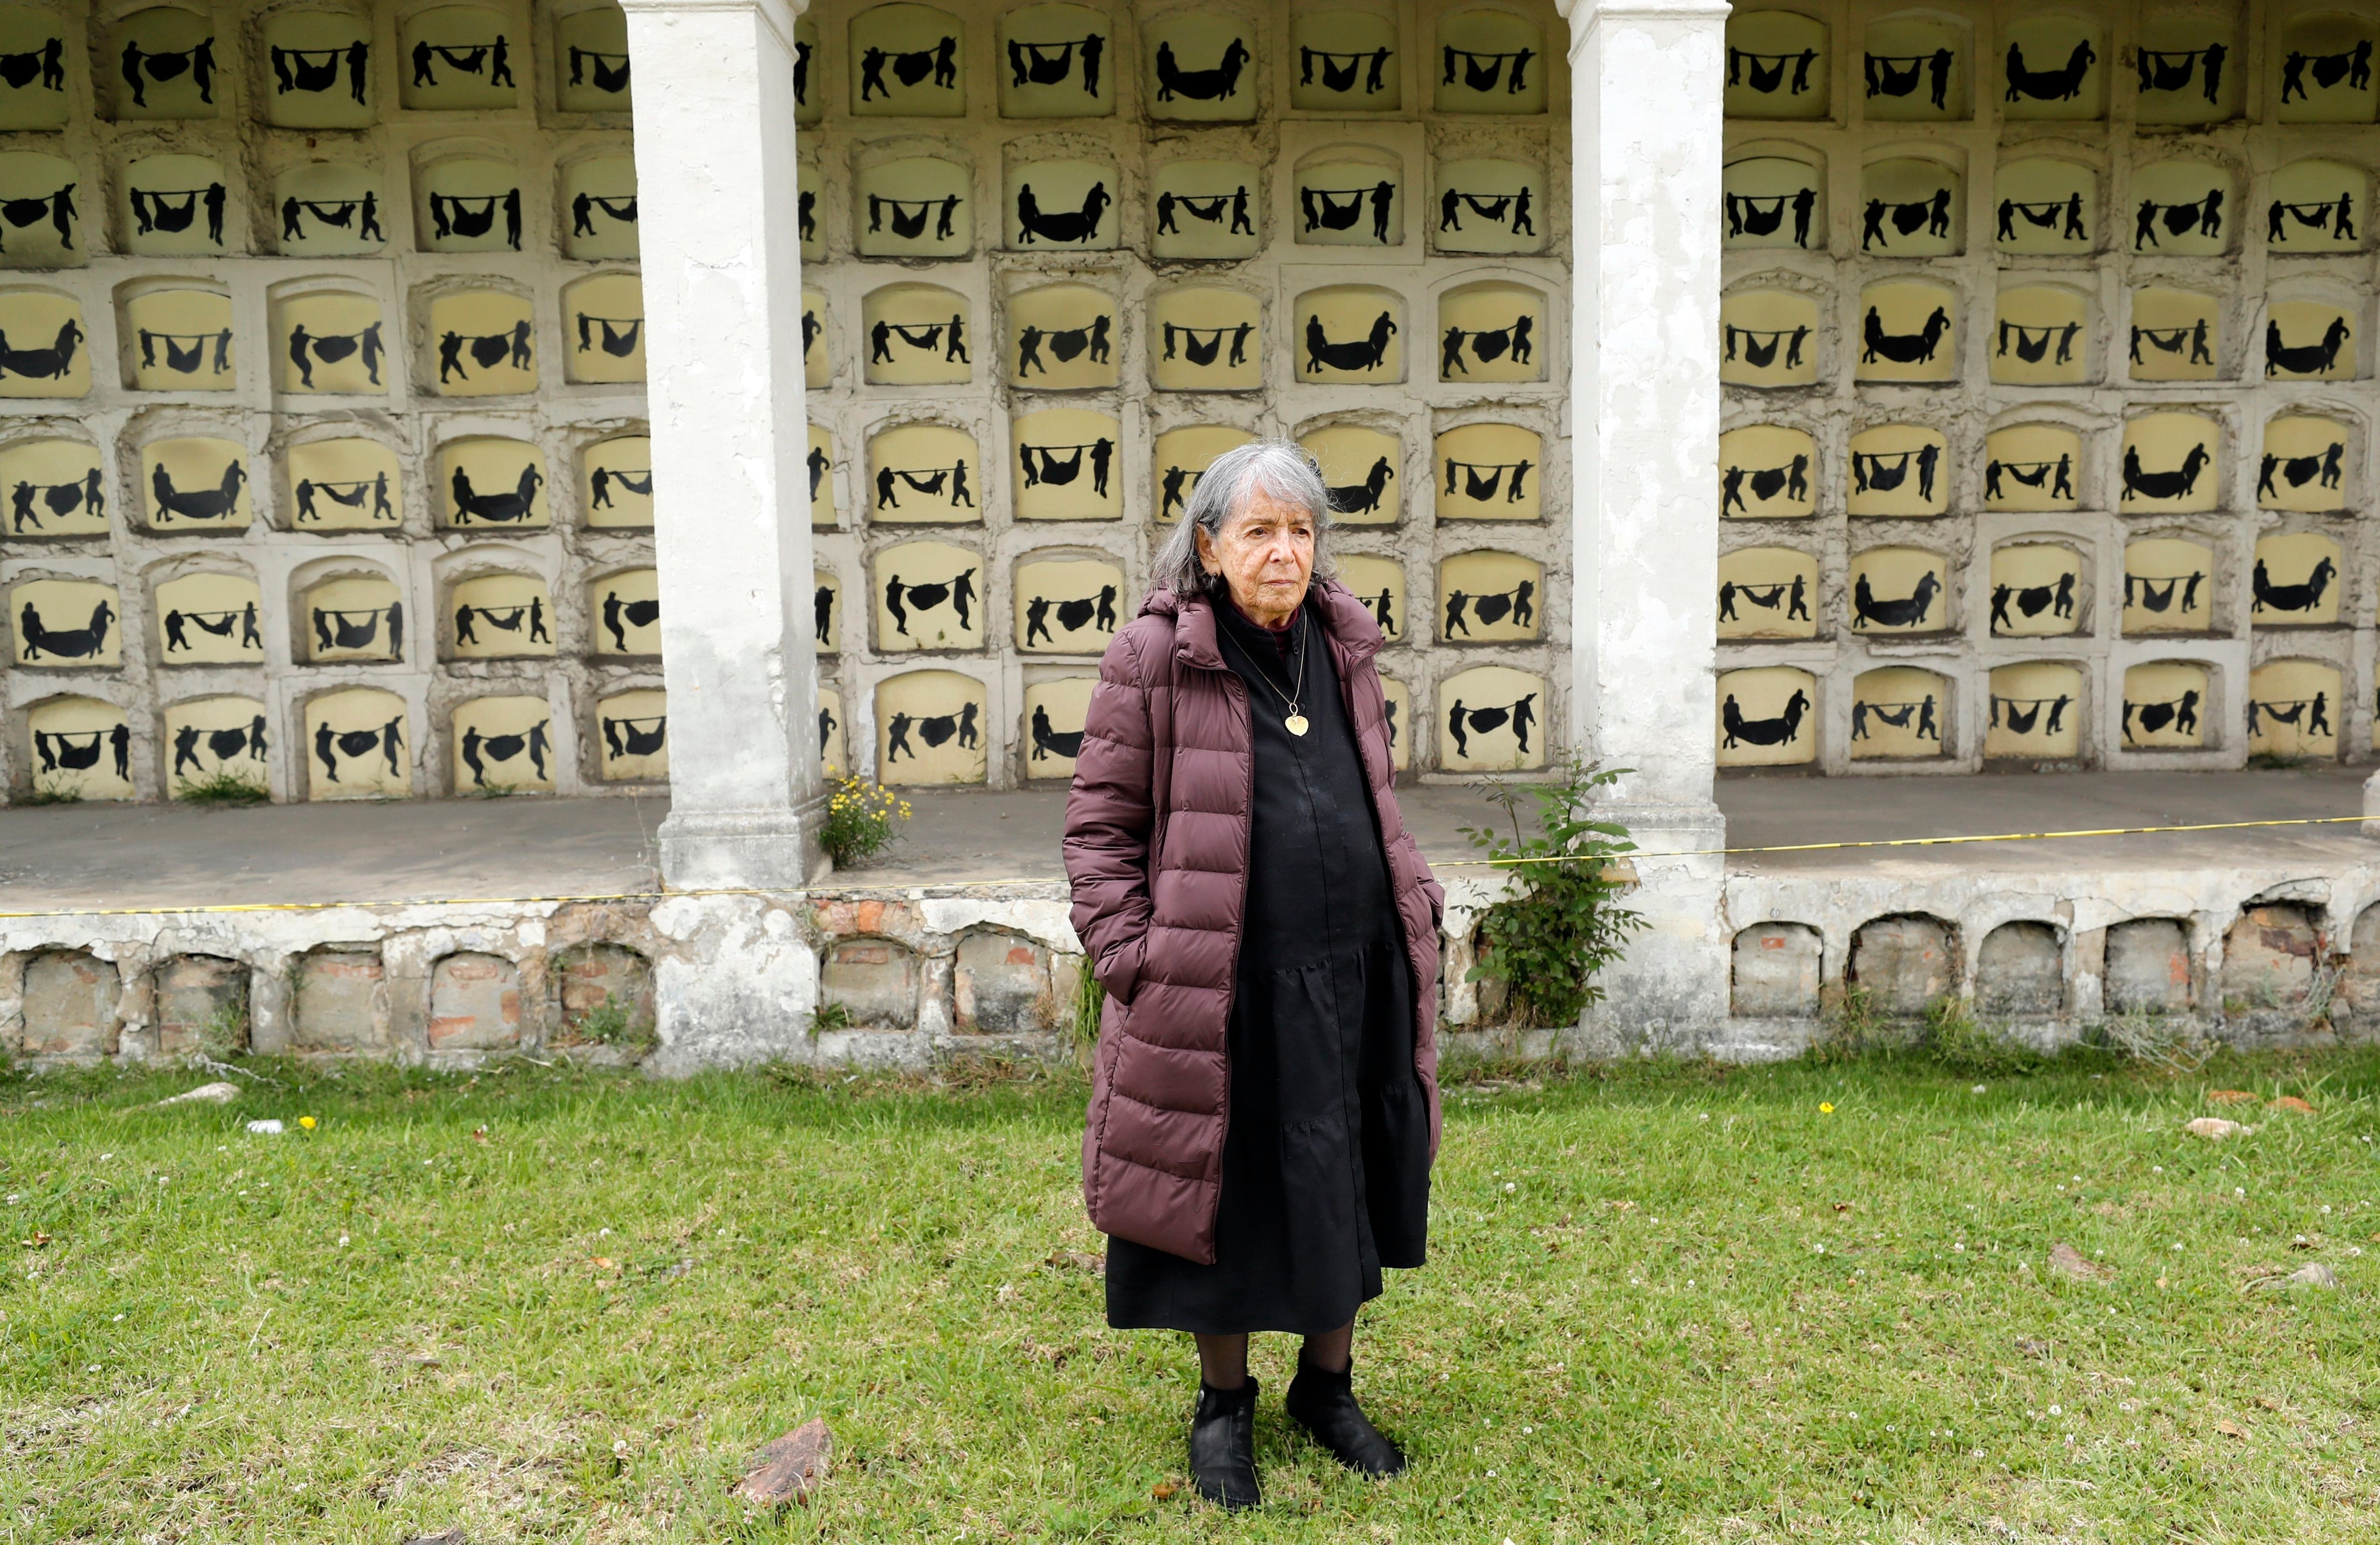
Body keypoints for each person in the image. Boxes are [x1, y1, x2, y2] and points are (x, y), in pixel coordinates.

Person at [1063, 440, 1445, 1512]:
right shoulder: (1156, 654)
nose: (1285, 554)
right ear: (1209, 545)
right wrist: (1133, 956)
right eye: (1260, 532)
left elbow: (1374, 789)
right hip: (1216, 983)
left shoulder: (1341, 640)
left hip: (1353, 968)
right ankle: (1223, 1404)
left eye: (1302, 532)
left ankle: (1326, 1390)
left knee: (1347, 1175)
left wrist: (1411, 892)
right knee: (1216, 1190)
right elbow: (1098, 830)